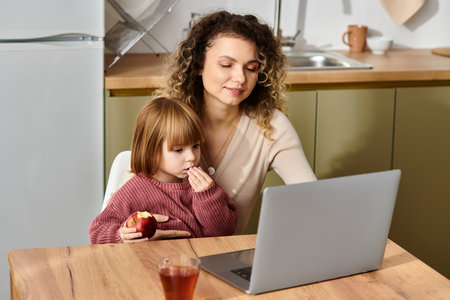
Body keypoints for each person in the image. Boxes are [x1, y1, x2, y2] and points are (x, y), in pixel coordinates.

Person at [122, 10, 317, 235]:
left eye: (251, 68)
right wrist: (129, 233)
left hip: (228, 263)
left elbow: (312, 199)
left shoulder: (270, 125)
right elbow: (117, 213)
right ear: (198, 65)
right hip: (160, 263)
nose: (240, 78)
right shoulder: (170, 118)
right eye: (227, 65)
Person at [89, 97, 237, 244]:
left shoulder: (203, 187)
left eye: (196, 146)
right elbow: (97, 232)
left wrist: (208, 196)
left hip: (196, 262)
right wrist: (121, 235)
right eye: (178, 150)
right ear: (151, 151)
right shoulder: (134, 191)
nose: (191, 156)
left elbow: (224, 231)